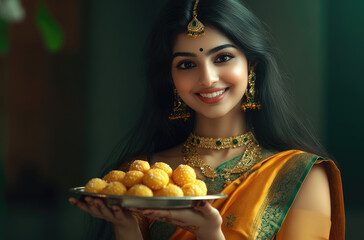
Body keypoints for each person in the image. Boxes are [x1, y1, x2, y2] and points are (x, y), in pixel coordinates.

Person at [68, 0, 345, 239]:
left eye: (223, 57)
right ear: (171, 78)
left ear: (252, 67)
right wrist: (127, 230)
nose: (208, 78)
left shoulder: (298, 175)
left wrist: (210, 234)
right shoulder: (141, 178)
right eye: (187, 64)